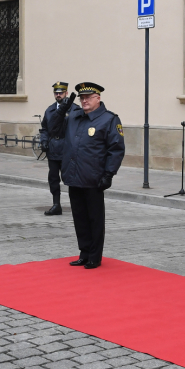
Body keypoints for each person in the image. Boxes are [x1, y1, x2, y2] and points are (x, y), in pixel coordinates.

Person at [60, 82, 125, 269]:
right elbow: (55, 131)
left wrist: (108, 174)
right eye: (81, 98)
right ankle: (84, 252)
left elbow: (116, 149)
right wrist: (61, 111)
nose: (84, 100)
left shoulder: (109, 119)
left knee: (94, 219)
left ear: (98, 98)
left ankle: (95, 257)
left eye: (88, 97)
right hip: (74, 176)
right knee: (79, 217)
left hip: (93, 178)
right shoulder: (74, 117)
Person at [39, 81, 79, 215]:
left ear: (66, 93)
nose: (58, 95)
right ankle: (56, 204)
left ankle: (77, 205)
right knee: (53, 178)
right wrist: (44, 142)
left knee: (71, 178)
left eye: (61, 92)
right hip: (53, 149)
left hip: (68, 149)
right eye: (56, 93)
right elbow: (44, 129)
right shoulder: (50, 110)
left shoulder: (74, 109)